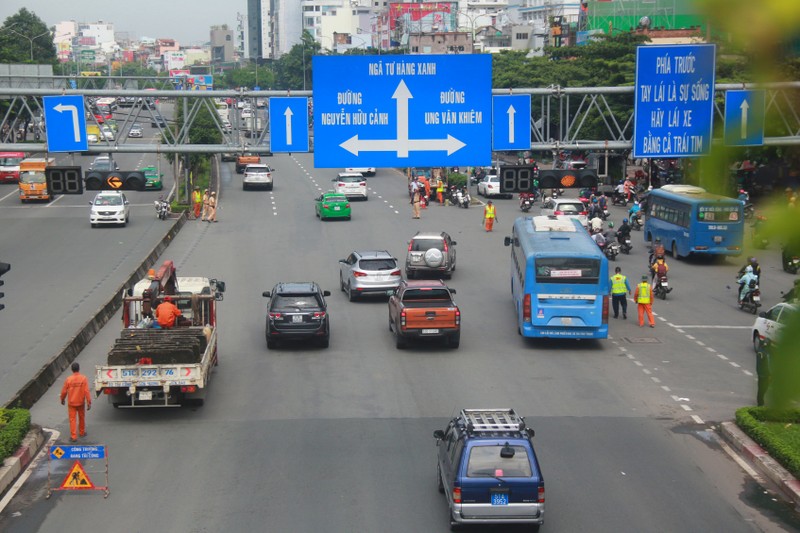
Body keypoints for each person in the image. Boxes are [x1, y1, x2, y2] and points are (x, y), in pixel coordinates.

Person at [60, 362, 91, 442]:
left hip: (71, 403)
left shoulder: (68, 379)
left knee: (72, 419)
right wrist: (89, 402)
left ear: (72, 370)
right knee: (81, 417)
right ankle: (82, 432)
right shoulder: (83, 378)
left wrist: (62, 399)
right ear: (79, 369)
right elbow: (86, 391)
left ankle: (74, 436)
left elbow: (64, 391)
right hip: (81, 402)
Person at [756, 339, 772, 406]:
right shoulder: (762, 353)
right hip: (763, 374)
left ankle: (761, 400)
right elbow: (762, 365)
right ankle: (760, 402)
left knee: (763, 387)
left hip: (764, 373)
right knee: (762, 388)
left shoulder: (765, 351)